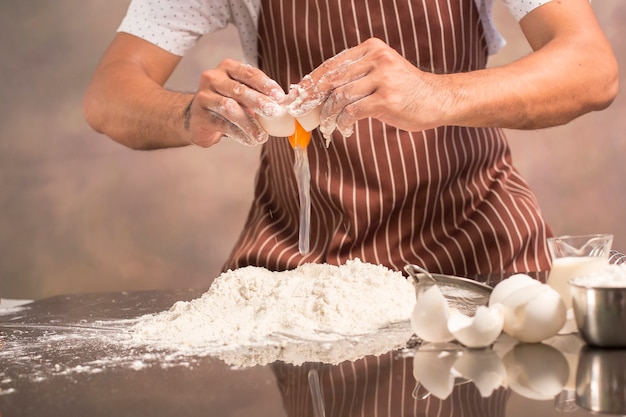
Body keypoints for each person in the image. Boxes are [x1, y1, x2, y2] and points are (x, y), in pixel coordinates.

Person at [83, 0, 618, 277]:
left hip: (475, 254)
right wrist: (186, 114)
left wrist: (434, 94)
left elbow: (592, 70)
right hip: (301, 267)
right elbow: (109, 94)